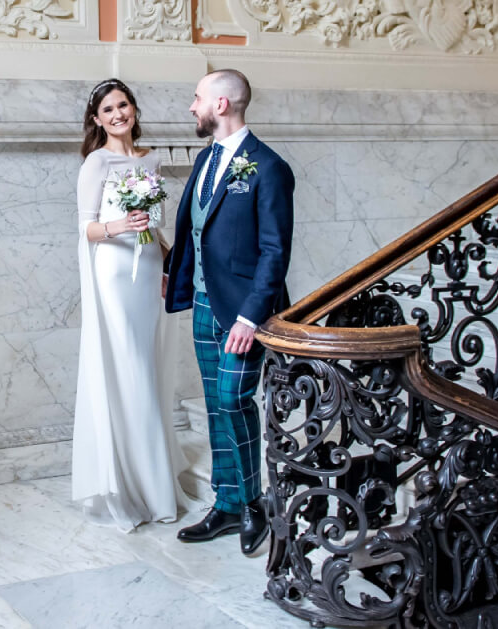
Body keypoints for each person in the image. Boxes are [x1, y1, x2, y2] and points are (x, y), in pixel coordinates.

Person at [163, 69, 295, 555]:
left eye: (196, 98)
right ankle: (226, 504)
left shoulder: (268, 167)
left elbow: (274, 252)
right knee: (216, 403)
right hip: (201, 302)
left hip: (244, 314)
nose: (190, 106)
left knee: (235, 398)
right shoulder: (205, 160)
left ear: (221, 104)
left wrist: (249, 317)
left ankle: (254, 504)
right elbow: (197, 230)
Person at [72, 78, 191, 532]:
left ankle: (151, 477)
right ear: (98, 120)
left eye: (123, 105)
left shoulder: (150, 160)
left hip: (145, 276)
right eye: (108, 109)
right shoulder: (95, 162)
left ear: (134, 110)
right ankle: (132, 486)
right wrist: (118, 224)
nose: (118, 114)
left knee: (148, 364)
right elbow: (86, 229)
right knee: (128, 368)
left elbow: (154, 226)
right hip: (113, 274)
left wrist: (166, 265)